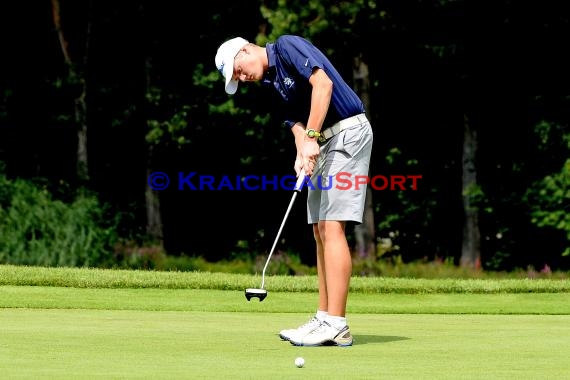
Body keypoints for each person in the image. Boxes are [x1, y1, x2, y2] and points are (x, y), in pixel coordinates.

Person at [215, 35, 373, 346]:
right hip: (325, 142)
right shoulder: (270, 84)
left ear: (244, 50)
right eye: (236, 78)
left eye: (238, 70)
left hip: (348, 132)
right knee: (318, 229)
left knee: (331, 226)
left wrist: (312, 135)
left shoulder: (286, 47)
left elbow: (323, 85)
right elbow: (296, 125)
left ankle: (337, 325)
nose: (241, 78)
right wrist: (302, 152)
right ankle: (324, 317)